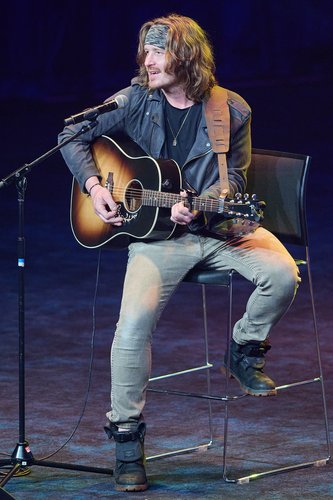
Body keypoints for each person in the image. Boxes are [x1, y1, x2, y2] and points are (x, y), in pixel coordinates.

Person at [58, 13, 300, 492]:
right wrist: (93, 186)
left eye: (158, 52)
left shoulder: (229, 109)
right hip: (158, 238)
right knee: (131, 326)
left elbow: (235, 185)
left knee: (283, 273)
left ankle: (244, 347)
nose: (147, 61)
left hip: (218, 227)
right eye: (145, 51)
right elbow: (71, 136)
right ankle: (127, 437)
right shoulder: (135, 99)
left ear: (186, 56)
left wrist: (202, 207)